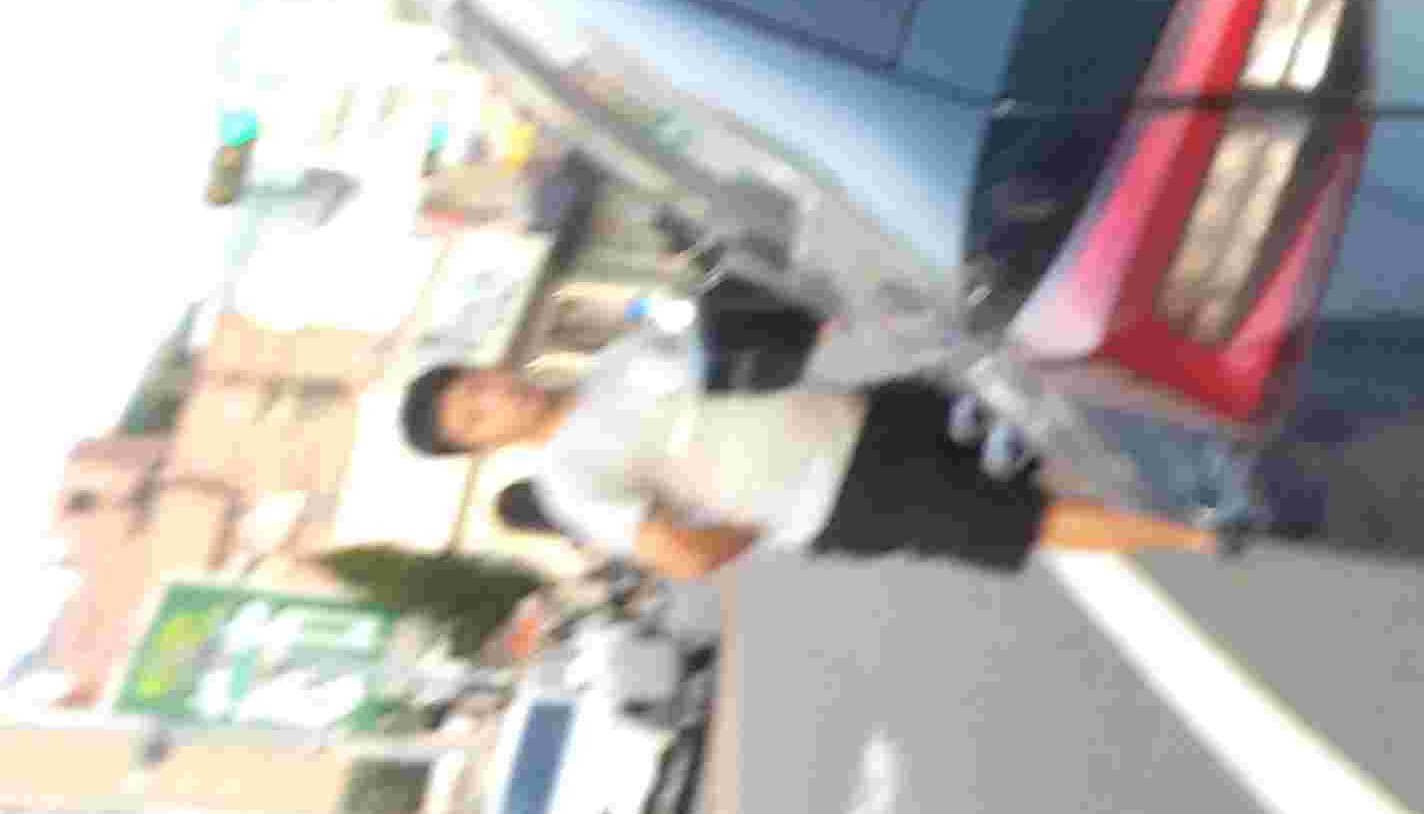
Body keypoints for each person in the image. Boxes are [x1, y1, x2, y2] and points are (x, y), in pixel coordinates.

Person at [397, 328, 1212, 579]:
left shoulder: (615, 360)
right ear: (479, 448)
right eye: (474, 416)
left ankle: (1184, 459)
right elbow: (681, 556)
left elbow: (739, 350)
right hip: (841, 498)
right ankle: (1196, 533)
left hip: (865, 410)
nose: (493, 396)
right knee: (1025, 518)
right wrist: (761, 519)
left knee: (1028, 413)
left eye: (478, 382)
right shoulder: (570, 482)